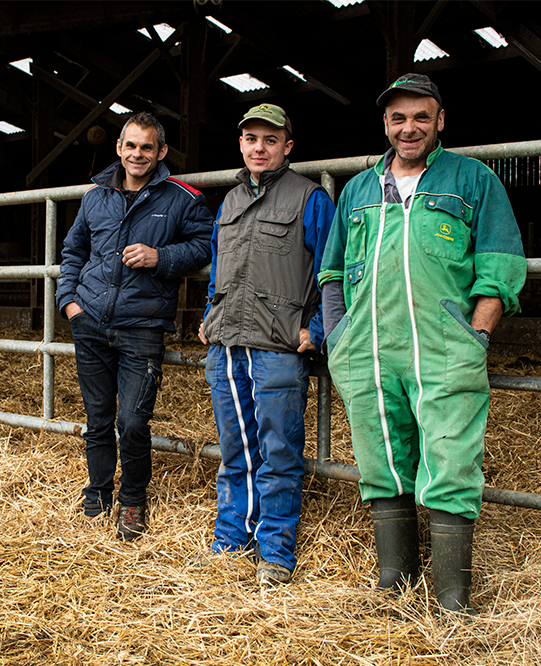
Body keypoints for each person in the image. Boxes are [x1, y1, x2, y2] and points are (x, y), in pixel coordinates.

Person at [318, 74, 526, 613]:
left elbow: (500, 262)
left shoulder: (472, 179)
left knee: (450, 458)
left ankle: (453, 598)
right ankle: (395, 583)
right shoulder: (361, 189)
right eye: (398, 118)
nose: (408, 128)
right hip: (366, 347)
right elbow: (333, 269)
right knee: (381, 456)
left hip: (442, 345)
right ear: (385, 124)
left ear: (440, 121)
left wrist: (475, 334)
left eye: (420, 117)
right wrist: (339, 334)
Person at [57, 112, 213, 541]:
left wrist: (159, 257)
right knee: (99, 418)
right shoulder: (96, 196)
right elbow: (74, 251)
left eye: (147, 147)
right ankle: (98, 491)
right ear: (119, 149)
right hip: (90, 320)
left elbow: (205, 245)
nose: (137, 154)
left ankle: (132, 501)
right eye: (130, 145)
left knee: (132, 421)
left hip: (142, 325)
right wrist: (69, 303)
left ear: (161, 152)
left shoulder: (182, 197)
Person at [198, 103, 335, 585]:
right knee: (235, 449)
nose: (260, 147)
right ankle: (230, 540)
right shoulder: (230, 201)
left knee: (278, 451)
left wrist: (315, 329)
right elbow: (218, 264)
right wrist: (209, 313)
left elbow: (332, 271)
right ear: (241, 144)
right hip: (227, 344)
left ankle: (275, 552)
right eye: (251, 138)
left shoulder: (310, 200)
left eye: (270, 140)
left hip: (278, 345)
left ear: (287, 147)